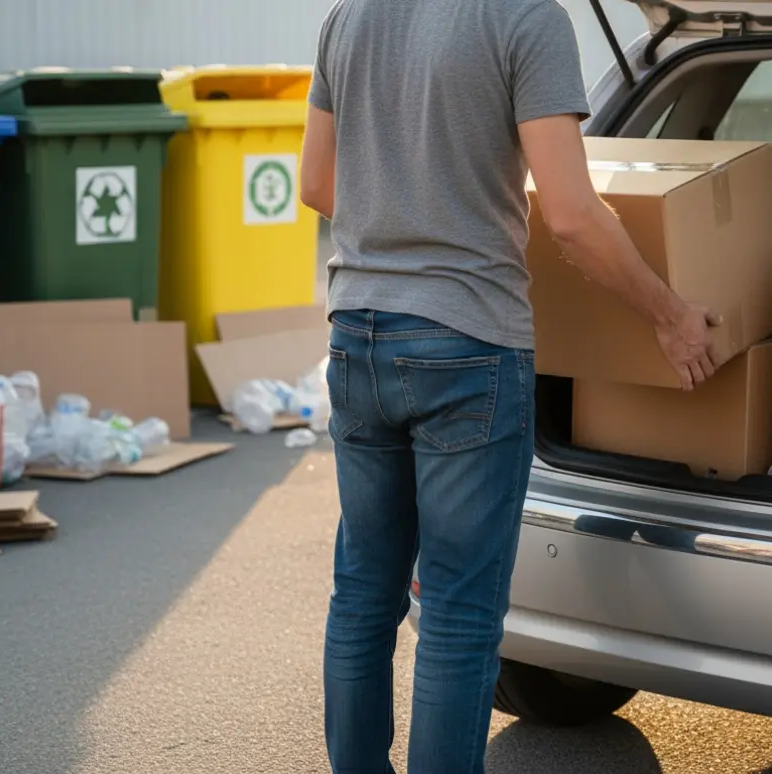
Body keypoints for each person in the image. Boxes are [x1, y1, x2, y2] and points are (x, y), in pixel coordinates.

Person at [299, 1, 721, 771]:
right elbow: (571, 215)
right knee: (458, 614)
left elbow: (318, 183)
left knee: (363, 593)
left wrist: (406, 213)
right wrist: (670, 315)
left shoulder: (349, 15)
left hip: (357, 335)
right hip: (466, 345)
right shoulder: (527, 18)